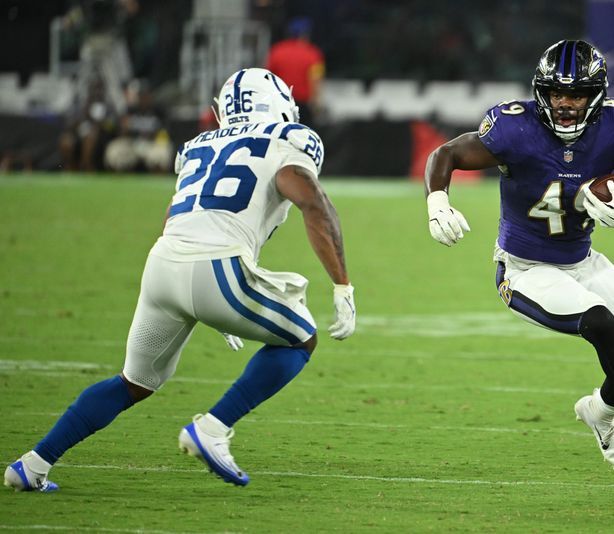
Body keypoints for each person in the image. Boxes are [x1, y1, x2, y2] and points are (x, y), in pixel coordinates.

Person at [5, 68, 356, 492]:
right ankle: (212, 428)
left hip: (163, 266)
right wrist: (342, 283)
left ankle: (32, 464)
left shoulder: (198, 145)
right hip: (217, 270)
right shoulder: (290, 138)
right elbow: (311, 202)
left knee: (132, 382)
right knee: (301, 338)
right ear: (280, 102)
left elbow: (180, 216)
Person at [424, 40, 614, 473]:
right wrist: (438, 201)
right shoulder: (514, 128)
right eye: (555, 93)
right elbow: (447, 153)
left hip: (583, 261)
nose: (565, 104)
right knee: (601, 321)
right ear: (540, 92)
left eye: (577, 94)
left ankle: (600, 414)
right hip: (524, 270)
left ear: (597, 95)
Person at [264, 17, 325, 129]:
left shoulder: (276, 51)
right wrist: (316, 105)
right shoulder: (313, 54)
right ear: (305, 35)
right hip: (302, 106)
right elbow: (315, 80)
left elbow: (268, 78)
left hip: (280, 103)